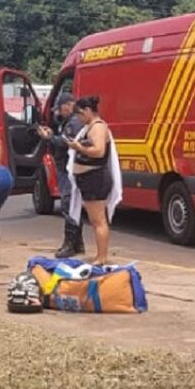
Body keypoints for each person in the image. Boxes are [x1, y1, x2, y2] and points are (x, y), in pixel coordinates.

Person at [66, 96, 122, 266]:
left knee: (99, 220)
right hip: (88, 178)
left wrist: (79, 147)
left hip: (95, 177)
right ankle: (100, 255)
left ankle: (102, 256)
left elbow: (98, 151)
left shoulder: (97, 128)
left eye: (80, 115)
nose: (79, 119)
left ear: (88, 111)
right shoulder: (89, 128)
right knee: (95, 219)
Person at [36, 92, 86, 257]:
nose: (59, 113)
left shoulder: (73, 122)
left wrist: (49, 137)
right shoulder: (72, 121)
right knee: (72, 205)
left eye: (60, 109)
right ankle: (77, 243)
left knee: (68, 205)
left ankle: (70, 244)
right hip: (68, 168)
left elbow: (65, 143)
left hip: (68, 169)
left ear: (68, 105)